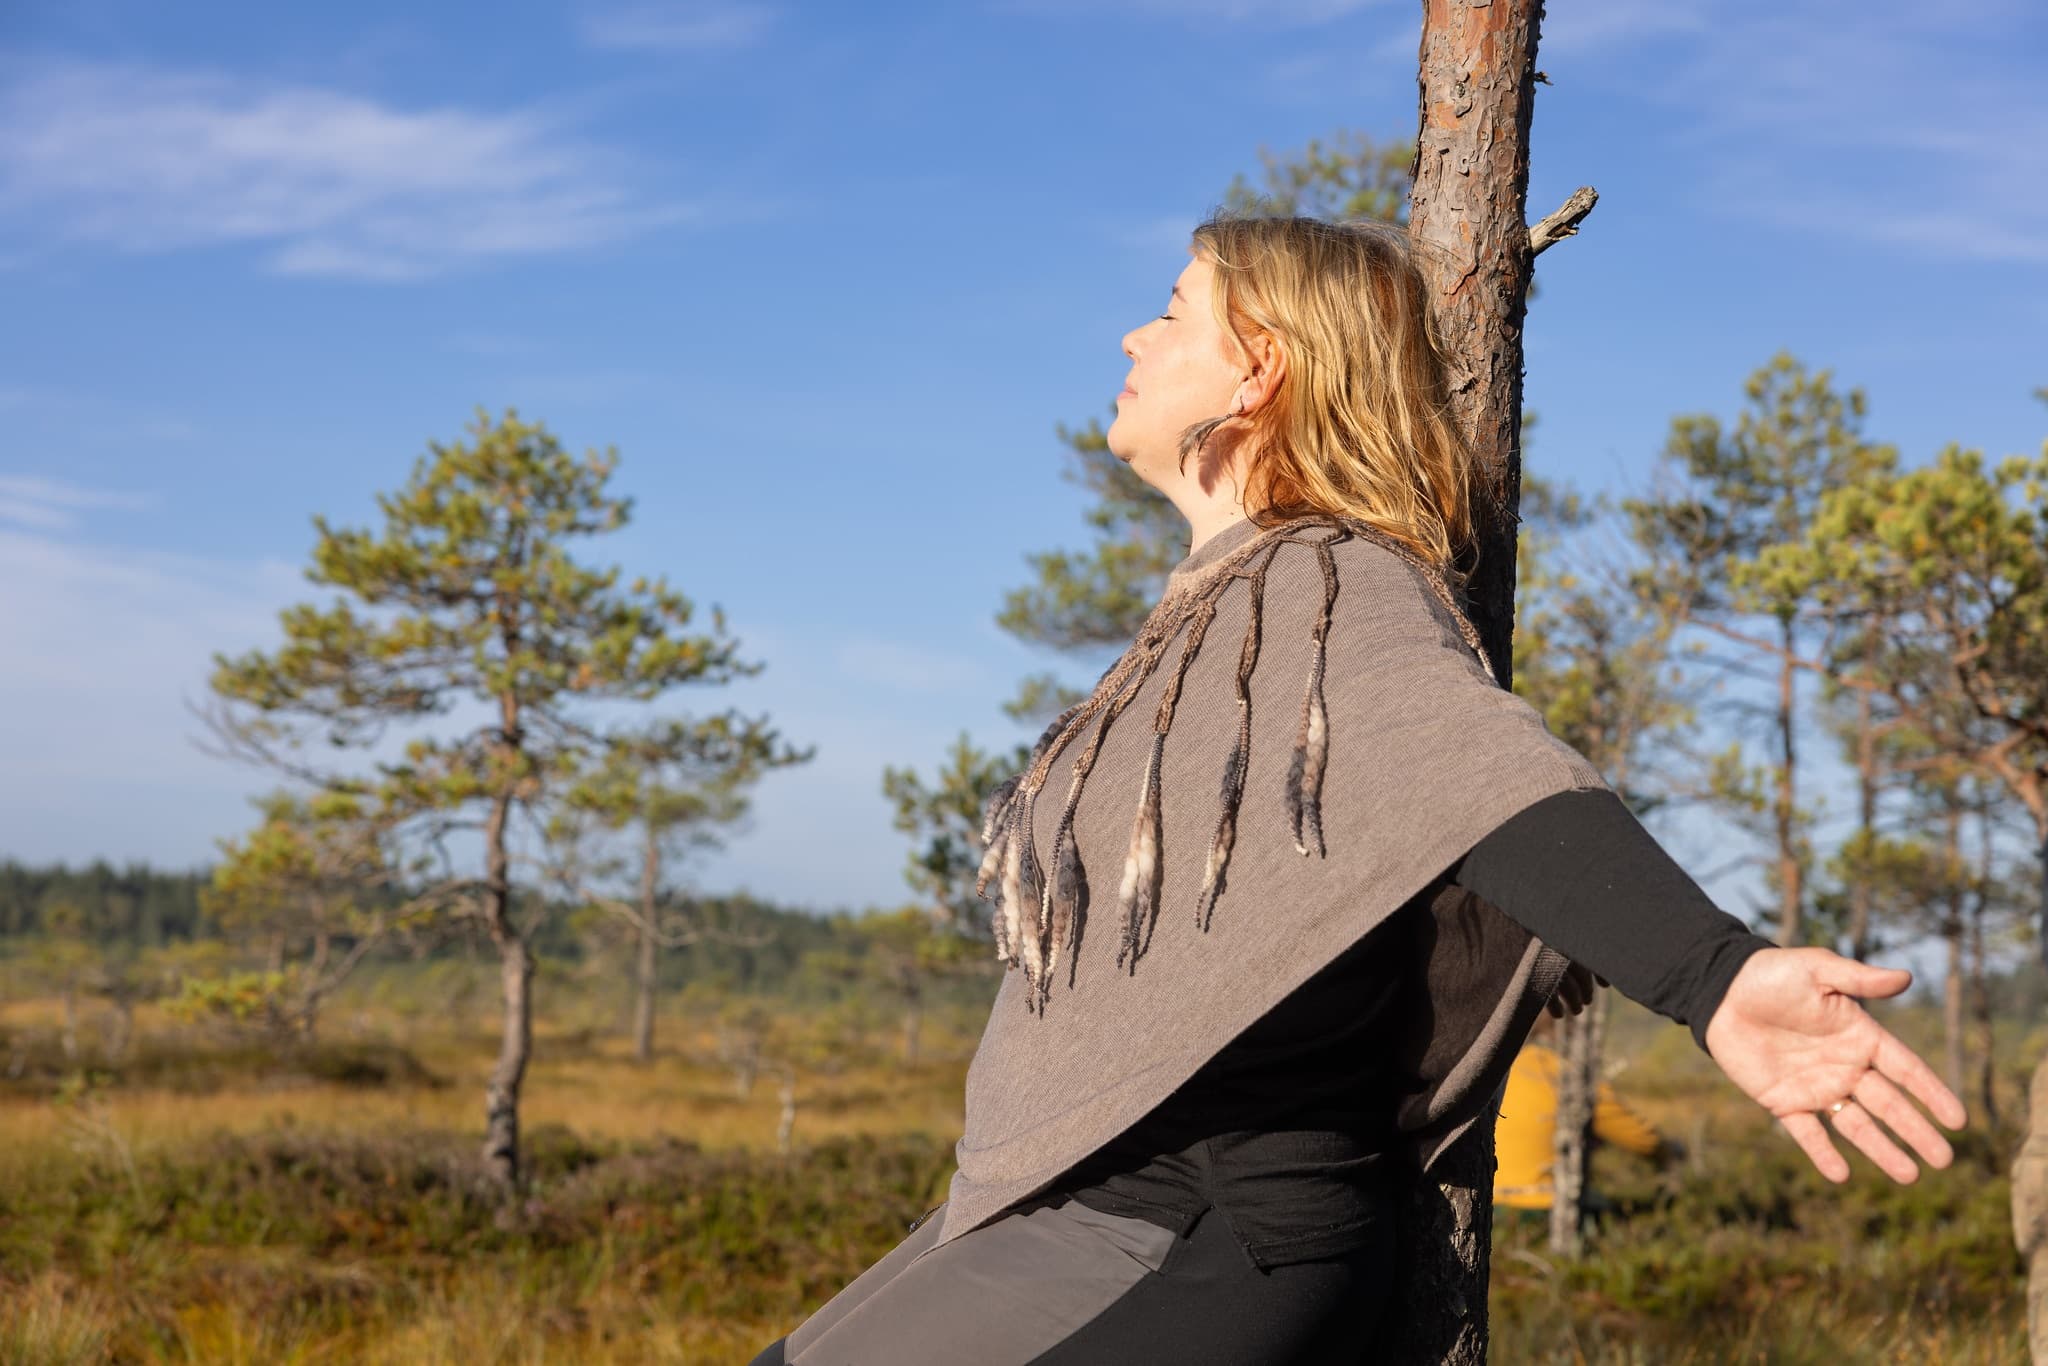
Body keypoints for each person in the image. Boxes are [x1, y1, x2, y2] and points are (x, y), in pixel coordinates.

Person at [750, 215, 1966, 1365]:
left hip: (1198, 1229)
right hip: (1081, 1205)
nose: (1133, 338)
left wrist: (1712, 975)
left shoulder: (1329, 582)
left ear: (1256, 373)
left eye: (1173, 312)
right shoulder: (1232, 602)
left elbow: (1478, 772)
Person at [1492, 1032, 1681, 1221]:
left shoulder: (1495, 1070)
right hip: (1547, 1207)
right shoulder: (1567, 1073)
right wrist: (1670, 1152)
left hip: (1488, 1205)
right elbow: (1643, 1139)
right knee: (1620, 1213)